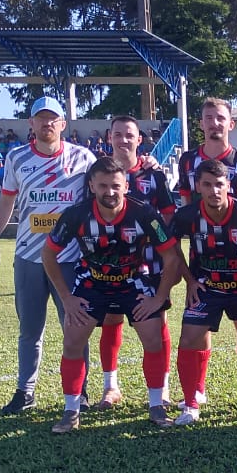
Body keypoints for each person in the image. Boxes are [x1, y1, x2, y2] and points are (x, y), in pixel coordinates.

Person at [41, 156, 180, 433]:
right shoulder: (77, 214)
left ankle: (155, 404)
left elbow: (171, 257)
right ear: (92, 185)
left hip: (133, 281)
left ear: (125, 185)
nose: (110, 191)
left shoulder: (143, 213)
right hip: (93, 282)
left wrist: (158, 297)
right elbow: (48, 253)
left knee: (153, 337)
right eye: (103, 185)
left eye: (115, 185)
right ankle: (71, 409)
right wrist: (67, 298)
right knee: (72, 340)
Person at [0, 97, 98, 414]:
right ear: (31, 124)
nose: (47, 124)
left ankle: (81, 391)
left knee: (75, 328)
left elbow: (104, 191)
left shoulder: (83, 158)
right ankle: (25, 391)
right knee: (30, 330)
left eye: (53, 119)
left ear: (63, 124)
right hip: (28, 258)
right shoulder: (17, 158)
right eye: (41, 119)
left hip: (70, 259)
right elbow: (6, 203)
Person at [176, 98, 237, 413]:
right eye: (209, 118)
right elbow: (185, 209)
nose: (215, 124)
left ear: (230, 124)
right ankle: (198, 390)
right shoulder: (188, 161)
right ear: (201, 123)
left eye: (221, 118)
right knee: (201, 325)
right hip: (203, 258)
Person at [94, 115, 177, 410]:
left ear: (139, 140)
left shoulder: (153, 175)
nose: (124, 140)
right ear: (109, 137)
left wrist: (159, 243)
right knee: (110, 320)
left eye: (129, 135)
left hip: (150, 263)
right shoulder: (98, 173)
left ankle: (162, 388)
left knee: (157, 322)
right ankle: (110, 386)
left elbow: (168, 214)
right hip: (111, 261)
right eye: (118, 134)